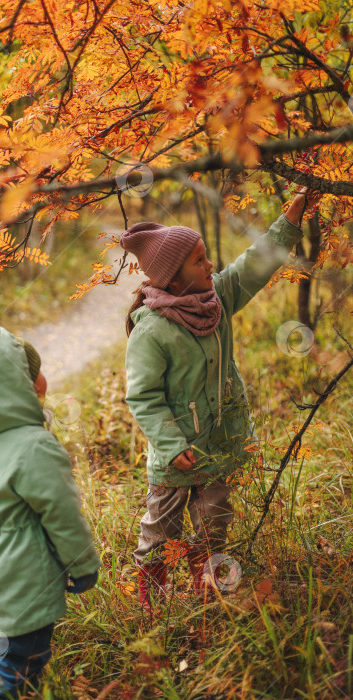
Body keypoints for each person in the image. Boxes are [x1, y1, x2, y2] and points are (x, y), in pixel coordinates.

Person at [120, 187, 321, 608]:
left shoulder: (217, 298)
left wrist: (291, 218)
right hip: (177, 456)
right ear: (173, 277)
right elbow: (143, 397)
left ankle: (207, 597)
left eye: (207, 255)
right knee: (160, 531)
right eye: (200, 260)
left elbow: (254, 265)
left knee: (213, 526)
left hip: (218, 445)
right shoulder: (152, 330)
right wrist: (172, 446)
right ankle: (150, 606)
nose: (211, 264)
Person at [0, 327, 101, 699]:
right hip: (26, 576)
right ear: (17, 388)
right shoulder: (35, 448)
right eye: (33, 372)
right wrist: (83, 564)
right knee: (23, 662)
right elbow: (62, 514)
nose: (43, 377)